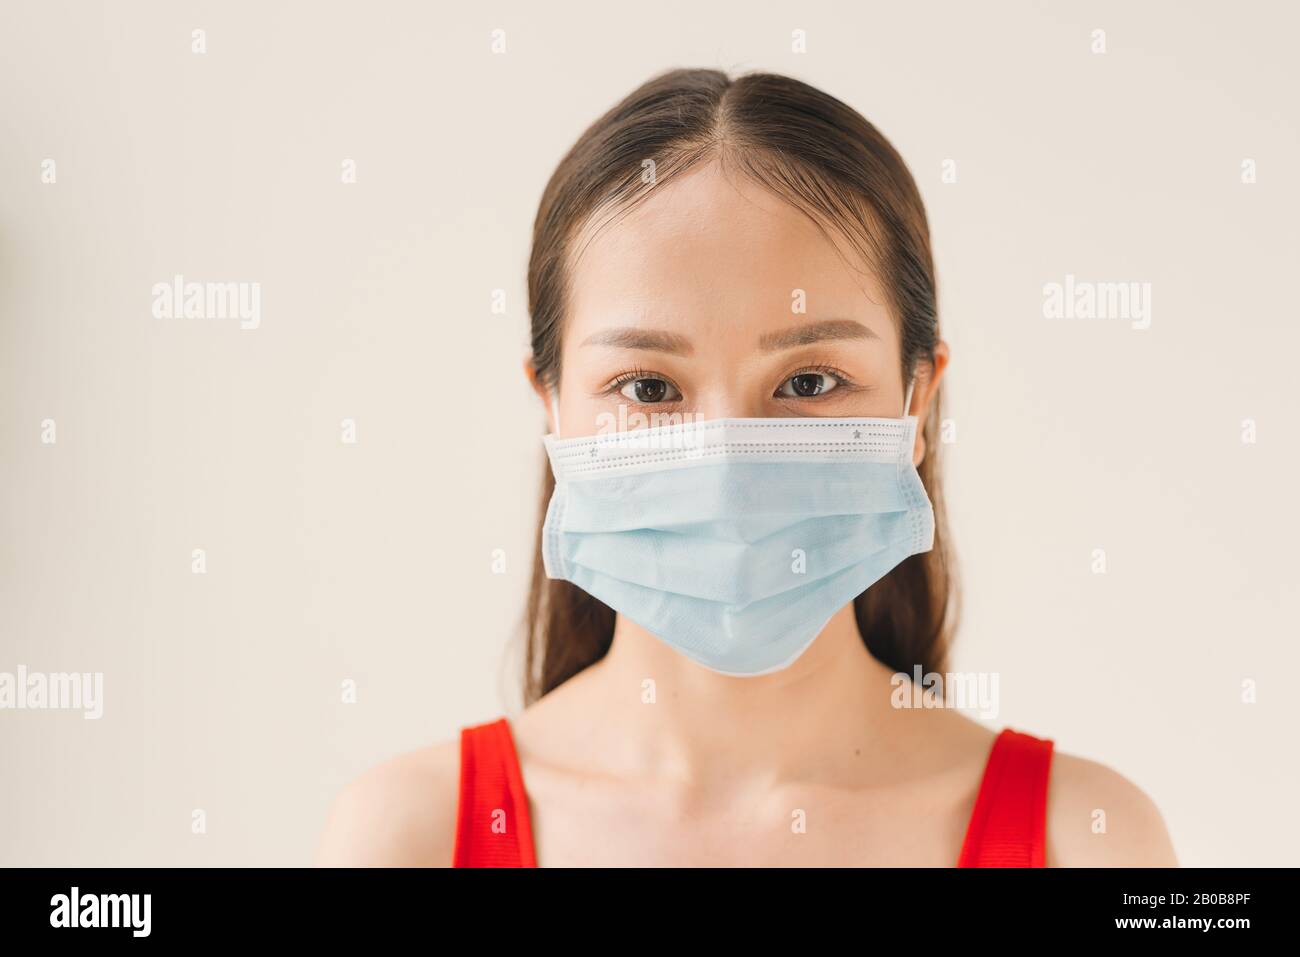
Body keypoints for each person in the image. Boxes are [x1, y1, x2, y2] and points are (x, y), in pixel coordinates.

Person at [316, 69, 1178, 867]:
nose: (727, 462)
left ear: (917, 399)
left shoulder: (1094, 840)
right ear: (550, 401)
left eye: (808, 381)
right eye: (649, 386)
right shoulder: (405, 836)